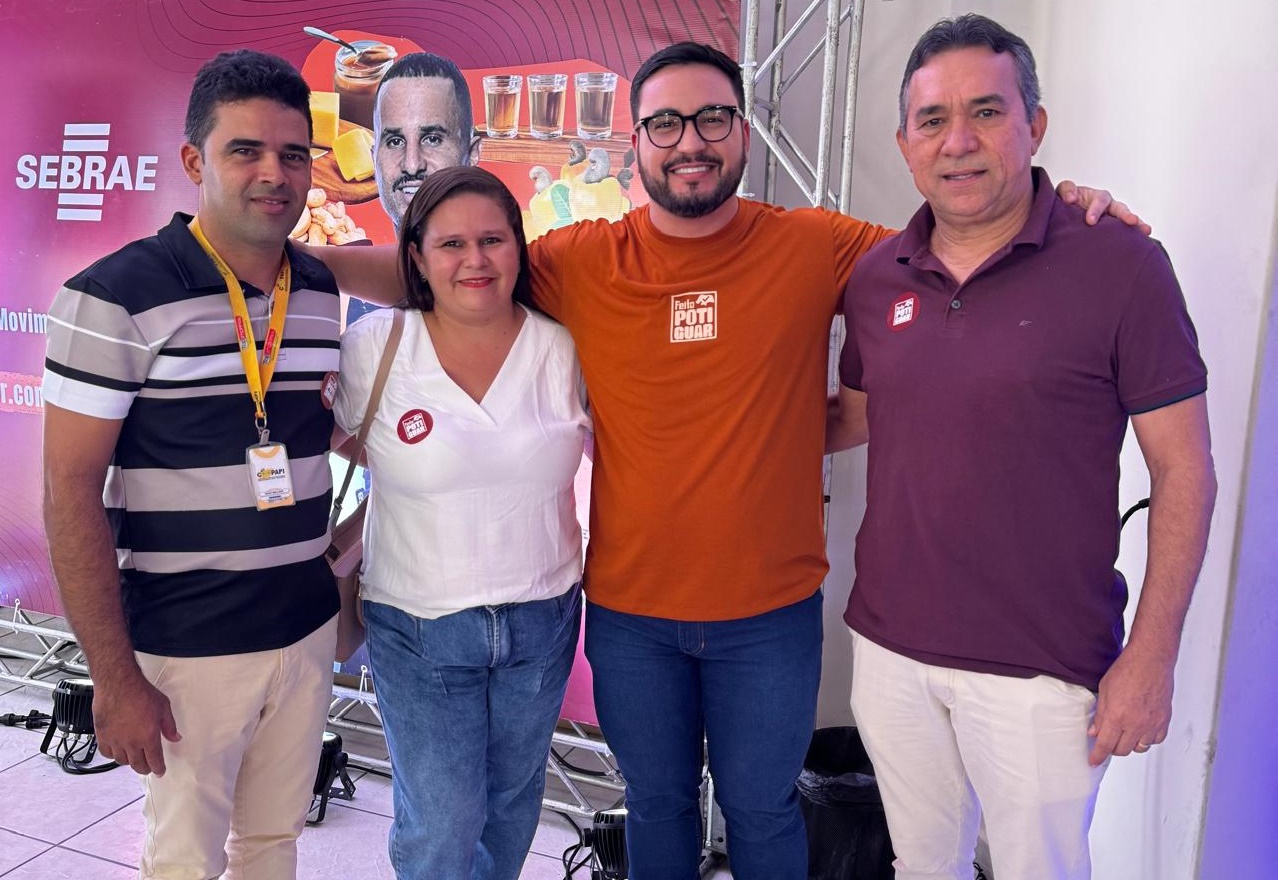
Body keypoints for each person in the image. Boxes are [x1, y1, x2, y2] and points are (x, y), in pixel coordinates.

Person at [308, 41, 1140, 880]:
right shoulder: (581, 259)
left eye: (712, 118)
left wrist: (1058, 212)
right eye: (665, 123)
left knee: (764, 811)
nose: (690, 142)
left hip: (769, 613)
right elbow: (438, 269)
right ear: (636, 142)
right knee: (656, 807)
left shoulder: (816, 245)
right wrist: (299, 265)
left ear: (743, 131)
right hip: (632, 614)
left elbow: (957, 255)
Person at [827, 15, 1216, 880]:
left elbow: (1184, 468)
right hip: (890, 650)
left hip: (1043, 671)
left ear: (1034, 125)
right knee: (921, 867)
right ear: (904, 144)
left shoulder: (1121, 266)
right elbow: (855, 416)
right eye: (933, 120)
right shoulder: (878, 277)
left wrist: (1152, 657)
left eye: (987, 112)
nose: (958, 141)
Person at [42, 50, 341, 879]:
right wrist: (113, 679)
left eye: (293, 153)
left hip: (304, 631)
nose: (273, 173)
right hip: (188, 646)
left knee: (274, 845)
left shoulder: (318, 290)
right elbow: (68, 493)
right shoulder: (112, 295)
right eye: (245, 150)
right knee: (183, 863)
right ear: (193, 161)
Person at [333, 165, 588, 880]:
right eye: (450, 244)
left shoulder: (564, 347)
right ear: (416, 257)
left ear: (518, 247)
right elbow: (335, 435)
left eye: (492, 240)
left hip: (542, 620)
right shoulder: (376, 346)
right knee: (441, 826)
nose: (474, 260)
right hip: (418, 626)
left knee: (510, 812)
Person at [345, 51, 482, 328]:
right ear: (374, 157)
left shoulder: (517, 286)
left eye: (432, 139)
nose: (411, 164)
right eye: (395, 141)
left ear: (473, 153)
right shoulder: (349, 307)